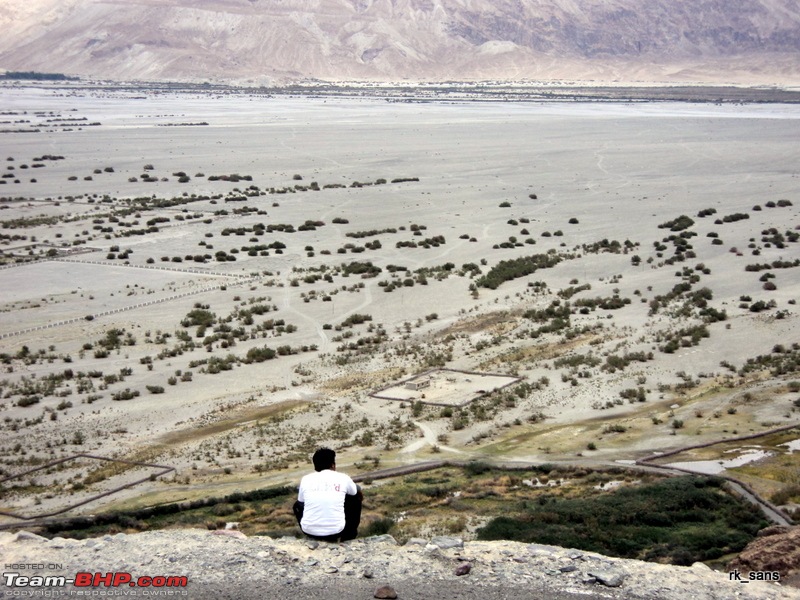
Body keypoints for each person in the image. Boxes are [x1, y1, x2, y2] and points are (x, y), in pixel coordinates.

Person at [293, 447, 362, 542]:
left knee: (297, 505)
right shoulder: (343, 478)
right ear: (333, 465)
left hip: (309, 531)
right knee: (355, 498)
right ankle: (349, 535)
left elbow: (300, 503)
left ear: (315, 466)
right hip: (336, 531)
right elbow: (355, 492)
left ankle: (313, 526)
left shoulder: (306, 479)